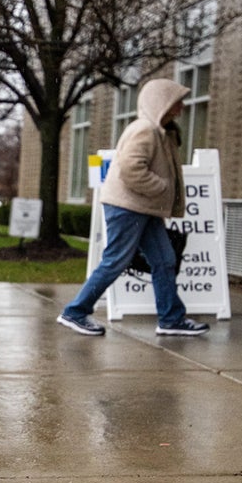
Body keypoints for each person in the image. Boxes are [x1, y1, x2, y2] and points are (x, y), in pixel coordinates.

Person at [58, 78, 209, 337]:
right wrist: (160, 187)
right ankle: (75, 312)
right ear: (163, 103)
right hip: (128, 207)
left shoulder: (160, 131)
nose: (182, 106)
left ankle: (171, 319)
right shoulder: (145, 130)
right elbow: (131, 168)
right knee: (116, 261)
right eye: (177, 101)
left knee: (164, 261)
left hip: (143, 208)